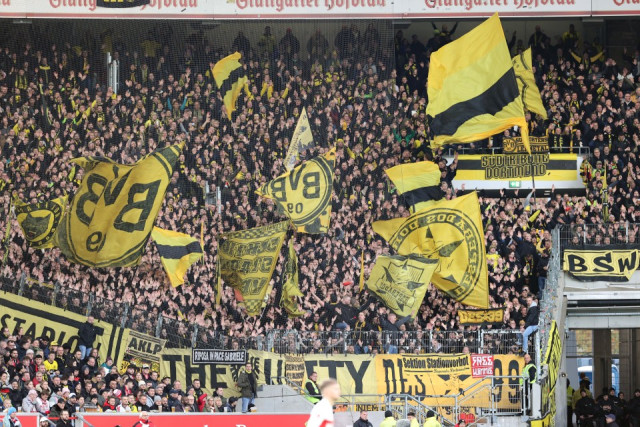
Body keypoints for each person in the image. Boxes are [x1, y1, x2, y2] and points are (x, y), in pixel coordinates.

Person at [520, 353, 536, 418]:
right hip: (525, 385)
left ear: (530, 358)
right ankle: (524, 411)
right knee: (524, 398)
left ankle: (525, 411)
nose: (526, 359)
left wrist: (527, 384)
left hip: (528, 385)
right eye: (525, 358)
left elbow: (532, 377)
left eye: (527, 358)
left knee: (525, 398)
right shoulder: (527, 366)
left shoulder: (531, 366)